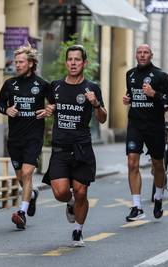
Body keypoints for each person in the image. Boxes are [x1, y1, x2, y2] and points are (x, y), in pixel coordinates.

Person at [42, 45, 107, 247]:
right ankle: (70, 204)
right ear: (66, 62)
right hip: (60, 148)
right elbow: (50, 107)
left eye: (77, 59)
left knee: (81, 192)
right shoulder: (56, 86)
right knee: (61, 193)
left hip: (82, 147)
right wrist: (49, 110)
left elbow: (103, 118)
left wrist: (96, 103)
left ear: (84, 63)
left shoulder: (92, 88)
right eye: (70, 59)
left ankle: (78, 231)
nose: (73, 63)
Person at [0, 44, 54, 230]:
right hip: (14, 138)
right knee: (21, 177)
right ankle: (33, 194)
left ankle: (21, 212)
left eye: (21, 62)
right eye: (16, 62)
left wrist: (47, 110)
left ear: (30, 63)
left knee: (28, 173)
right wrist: (7, 110)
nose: (17, 65)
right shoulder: (9, 84)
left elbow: (54, 104)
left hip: (33, 137)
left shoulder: (42, 84)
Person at [123, 44, 168, 221]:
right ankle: (137, 206)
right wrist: (127, 98)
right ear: (135, 55)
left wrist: (154, 93)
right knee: (132, 163)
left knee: (158, 165)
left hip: (154, 125)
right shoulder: (130, 74)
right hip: (135, 124)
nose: (142, 55)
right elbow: (131, 94)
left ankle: (159, 197)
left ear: (151, 55)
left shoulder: (161, 76)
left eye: (145, 52)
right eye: (139, 52)